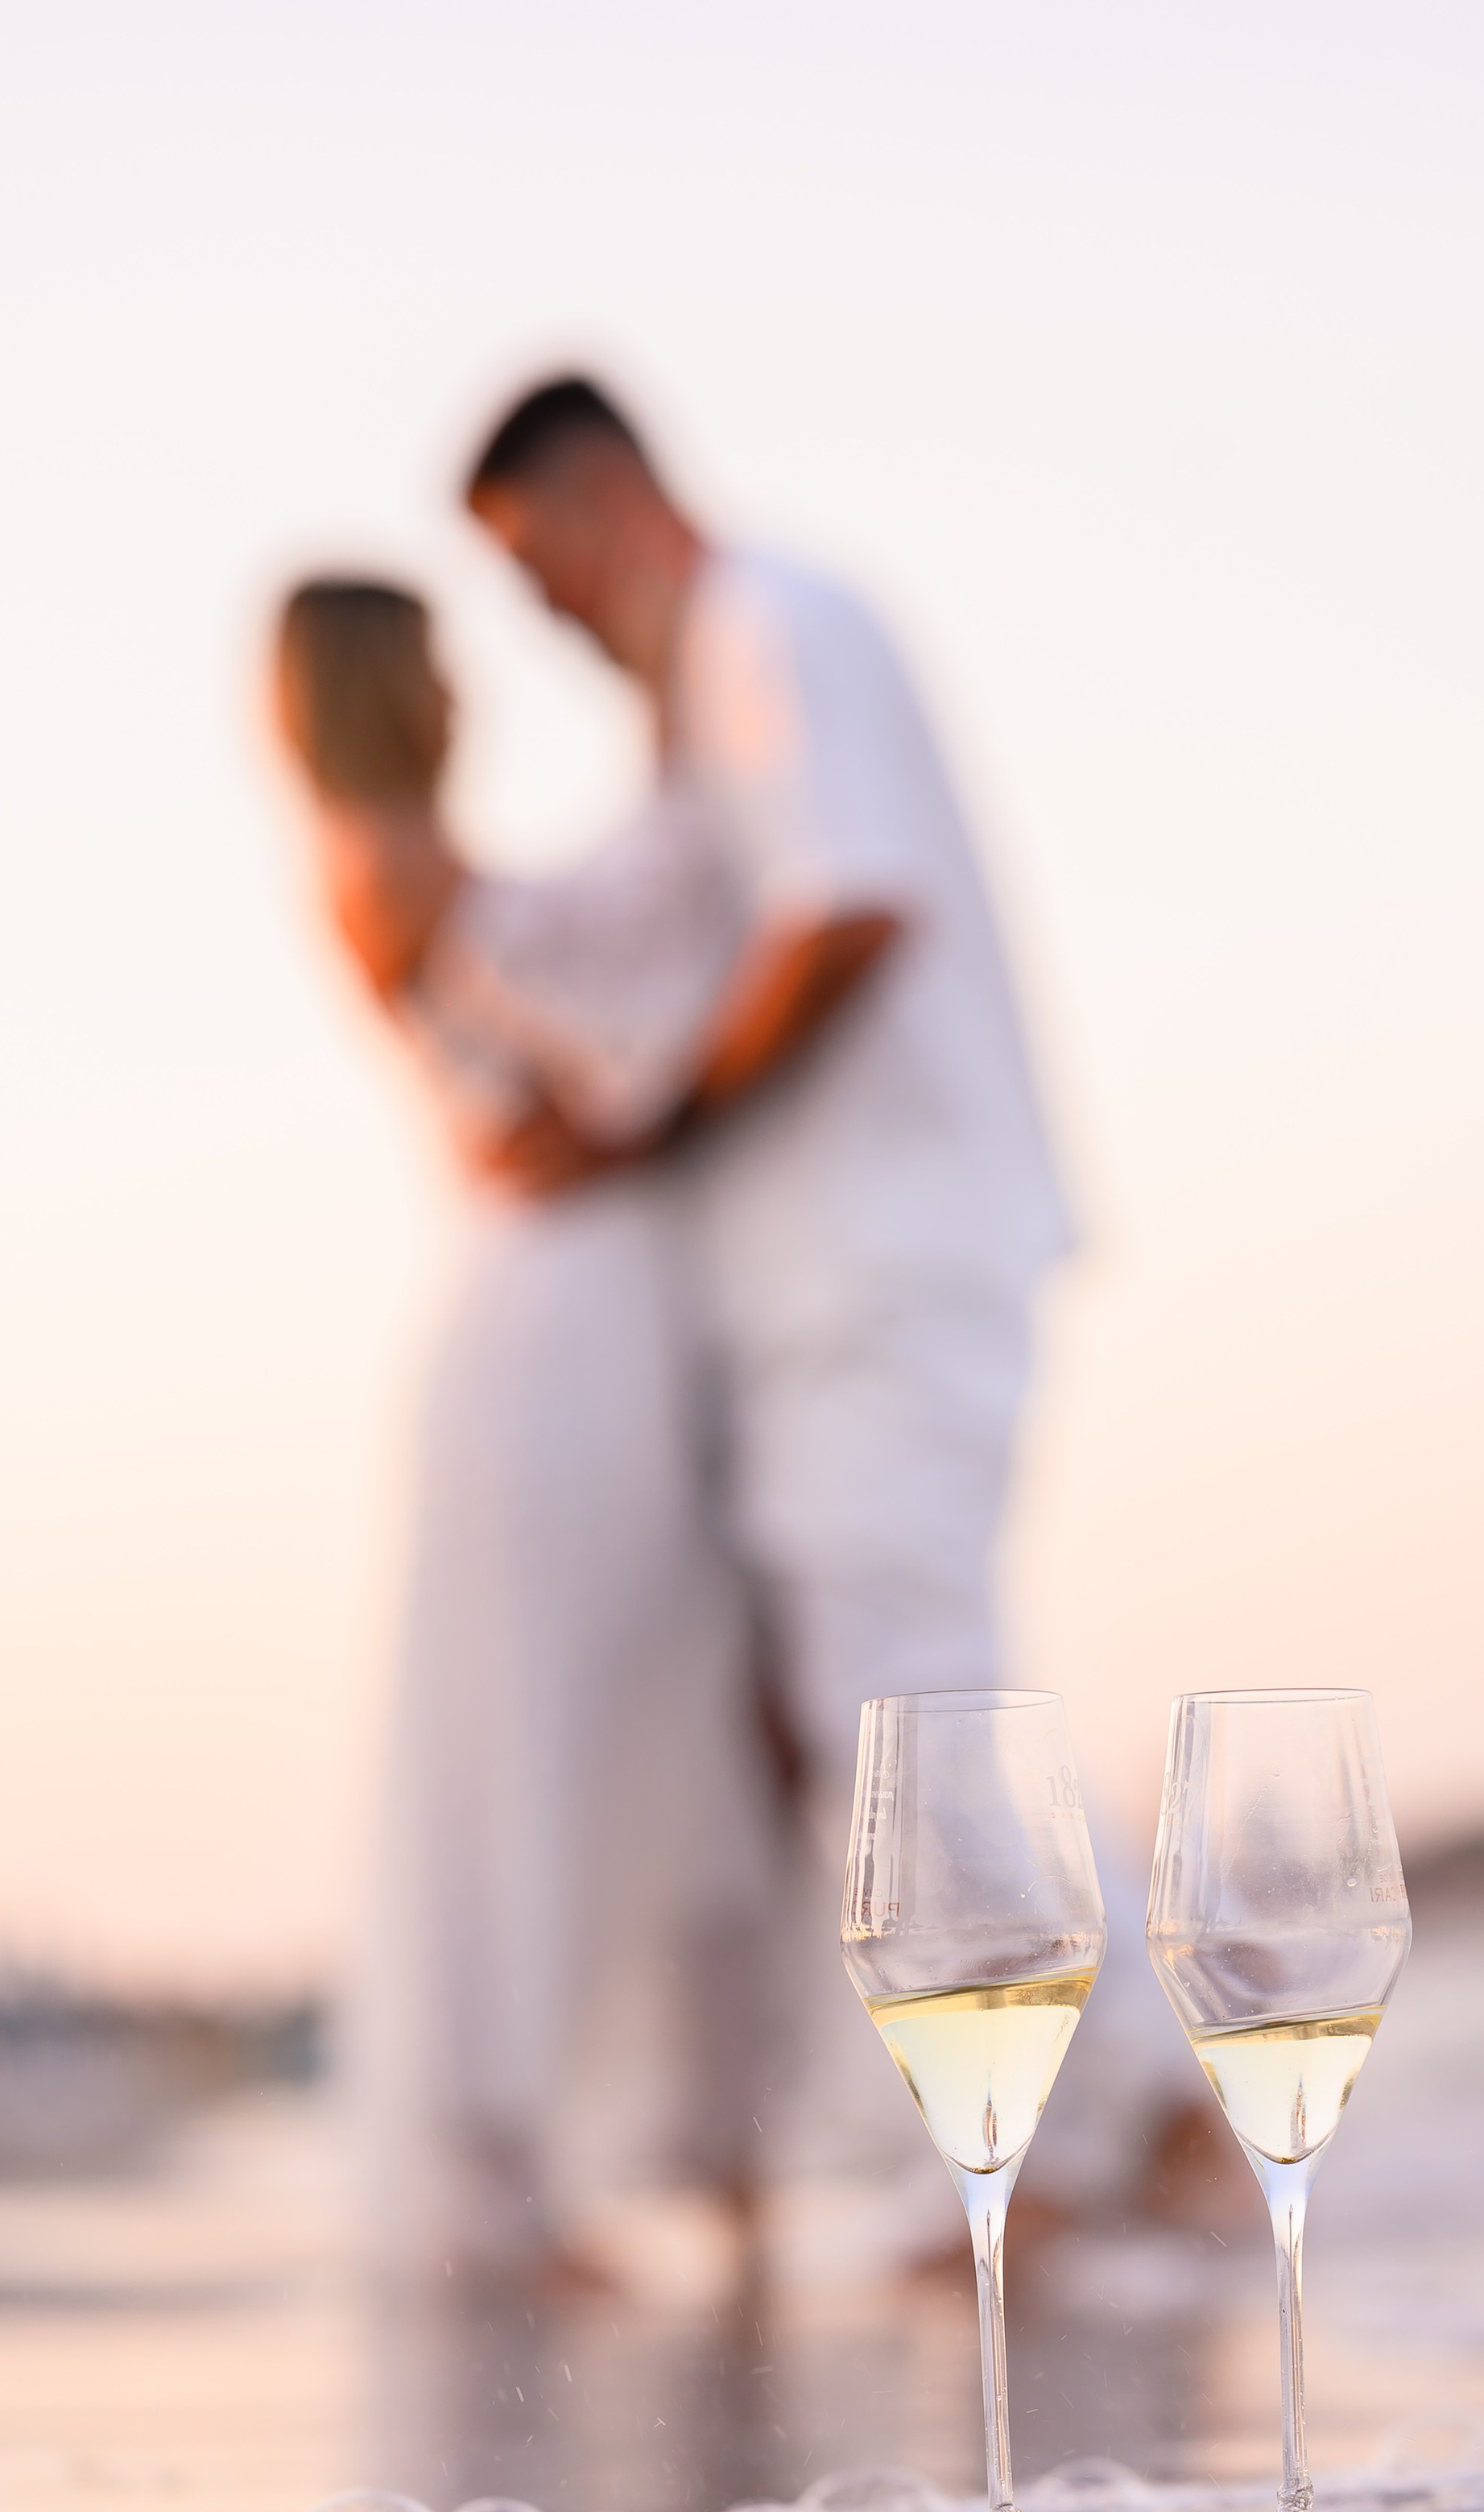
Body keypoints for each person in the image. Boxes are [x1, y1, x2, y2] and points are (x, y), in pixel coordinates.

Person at [371, 376, 1207, 2211]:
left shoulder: (773, 625)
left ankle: (1022, 2173)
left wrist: (652, 1120)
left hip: (886, 1257)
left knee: (896, 1704)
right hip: (828, 1282)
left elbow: (847, 911)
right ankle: (1138, 2123)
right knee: (908, 1689)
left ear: (604, 504)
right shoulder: (713, 700)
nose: (552, 621)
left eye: (540, 572)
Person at [275, 578, 781, 2288]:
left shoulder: (425, 858)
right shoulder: (387, 861)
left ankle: (702, 2142)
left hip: (608, 1302)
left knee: (674, 1704)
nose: (457, 685)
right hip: (550, 1318)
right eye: (424, 658)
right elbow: (578, 1092)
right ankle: (509, 2169)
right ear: (368, 683)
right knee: (547, 1726)